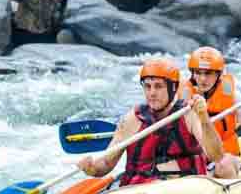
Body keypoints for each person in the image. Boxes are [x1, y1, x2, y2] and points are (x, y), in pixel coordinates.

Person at [77, 58, 225, 185]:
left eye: (158, 86)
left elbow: (216, 156)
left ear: (173, 88)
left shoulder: (189, 114)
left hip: (183, 189)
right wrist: (92, 168)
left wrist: (205, 119)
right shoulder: (131, 120)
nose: (152, 93)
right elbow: (106, 164)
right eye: (147, 86)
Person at [181, 46, 241, 178]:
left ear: (219, 74)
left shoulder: (232, 97)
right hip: (196, 160)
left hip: (226, 159)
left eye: (208, 73)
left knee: (224, 163)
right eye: (198, 73)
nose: (202, 79)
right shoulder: (183, 96)